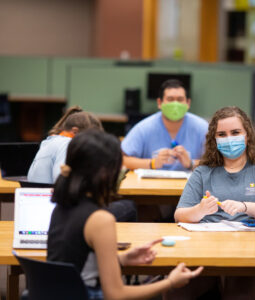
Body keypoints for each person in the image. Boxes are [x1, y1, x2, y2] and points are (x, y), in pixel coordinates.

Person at [47, 129, 203, 300]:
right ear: (106, 173)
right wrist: (171, 282)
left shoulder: (61, 206)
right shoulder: (100, 219)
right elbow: (115, 294)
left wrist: (122, 260)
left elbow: (78, 265)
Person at [173, 106, 255, 299]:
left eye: (235, 132)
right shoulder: (203, 172)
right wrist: (200, 210)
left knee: (237, 293)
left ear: (247, 135)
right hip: (206, 252)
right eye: (222, 134)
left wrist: (246, 207)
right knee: (177, 291)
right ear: (214, 139)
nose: (229, 138)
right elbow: (180, 214)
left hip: (252, 253)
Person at [28, 107, 136, 222]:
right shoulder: (67, 145)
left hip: (43, 208)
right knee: (129, 208)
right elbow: (65, 185)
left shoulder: (50, 141)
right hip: (58, 211)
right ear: (75, 131)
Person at [121, 79, 208, 171]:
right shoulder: (143, 128)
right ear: (159, 103)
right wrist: (153, 163)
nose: (175, 104)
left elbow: (217, 163)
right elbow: (122, 159)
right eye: (170, 99)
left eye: (180, 99)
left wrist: (191, 163)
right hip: (150, 185)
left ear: (188, 103)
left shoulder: (202, 128)